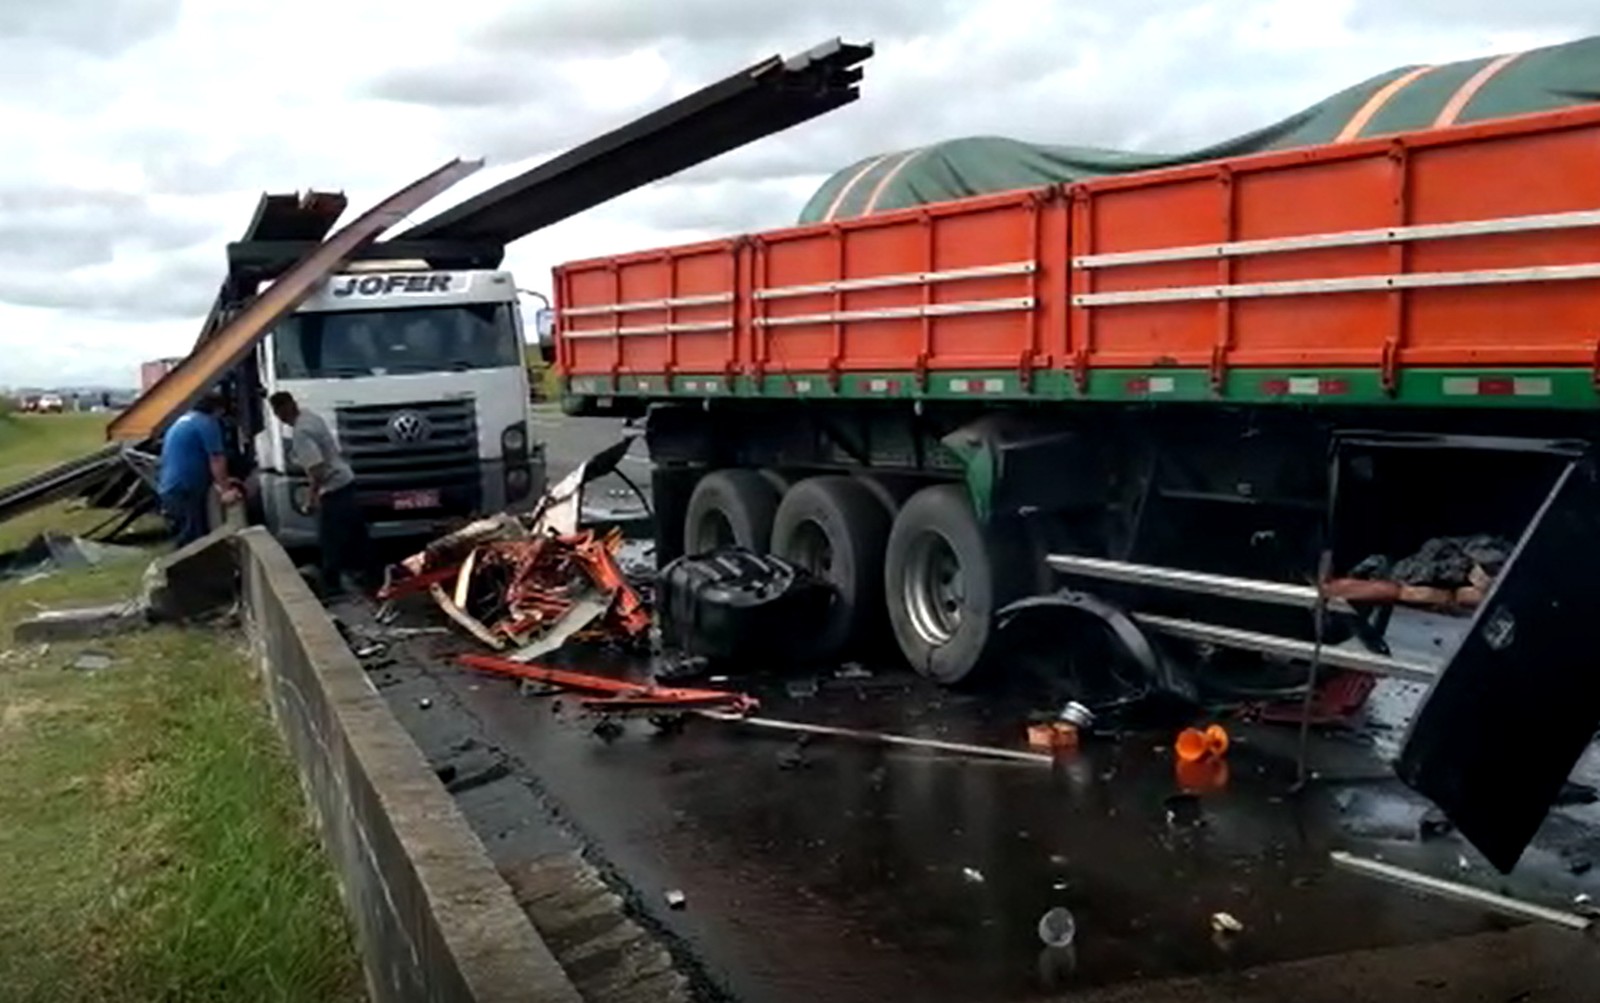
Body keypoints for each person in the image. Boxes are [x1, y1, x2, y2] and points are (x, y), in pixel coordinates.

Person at [267, 391, 367, 596]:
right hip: (346, 480)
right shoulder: (311, 417)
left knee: (330, 540)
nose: (280, 419)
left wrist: (312, 498)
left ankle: (333, 587)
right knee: (356, 535)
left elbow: (317, 468)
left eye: (278, 413)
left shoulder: (301, 432)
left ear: (282, 411)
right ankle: (368, 577)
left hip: (333, 487)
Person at [157, 392, 239, 547]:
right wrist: (225, 490)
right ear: (218, 409)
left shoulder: (184, 420)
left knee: (185, 533)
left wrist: (223, 480)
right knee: (193, 540)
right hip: (186, 488)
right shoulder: (208, 423)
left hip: (171, 486)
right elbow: (216, 458)